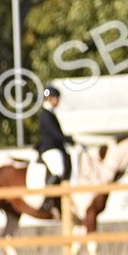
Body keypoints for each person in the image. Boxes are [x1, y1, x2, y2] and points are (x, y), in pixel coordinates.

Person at [37, 85, 73, 215]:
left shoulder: (50, 113)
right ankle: (47, 199)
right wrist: (67, 139)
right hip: (50, 148)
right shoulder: (45, 115)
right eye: (57, 98)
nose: (58, 101)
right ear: (52, 99)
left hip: (56, 147)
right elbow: (55, 133)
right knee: (58, 170)